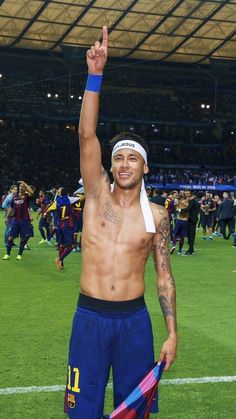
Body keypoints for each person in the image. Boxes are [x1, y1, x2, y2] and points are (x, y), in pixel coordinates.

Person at [64, 27, 177, 419]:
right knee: (83, 413)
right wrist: (95, 75)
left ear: (145, 166)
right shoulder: (96, 197)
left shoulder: (157, 216)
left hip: (134, 323)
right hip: (90, 319)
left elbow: (163, 277)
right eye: (118, 158)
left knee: (135, 413)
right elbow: (85, 133)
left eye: (132, 158)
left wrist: (172, 331)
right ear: (110, 166)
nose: (124, 164)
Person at [2, 181, 34, 261]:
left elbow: (32, 192)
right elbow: (11, 207)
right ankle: (7, 254)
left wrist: (24, 183)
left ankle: (19, 255)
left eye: (23, 186)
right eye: (20, 186)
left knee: (23, 239)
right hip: (15, 220)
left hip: (24, 221)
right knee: (10, 238)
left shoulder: (27, 196)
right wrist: (7, 217)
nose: (21, 187)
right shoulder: (15, 196)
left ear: (25, 188)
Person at [180, 190, 200, 255]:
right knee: (191, 234)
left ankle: (190, 250)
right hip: (193, 219)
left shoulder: (192, 201)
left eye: (188, 193)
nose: (186, 194)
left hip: (191, 219)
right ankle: (191, 249)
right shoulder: (193, 201)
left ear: (191, 194)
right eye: (185, 193)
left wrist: (180, 210)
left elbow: (188, 209)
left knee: (191, 235)